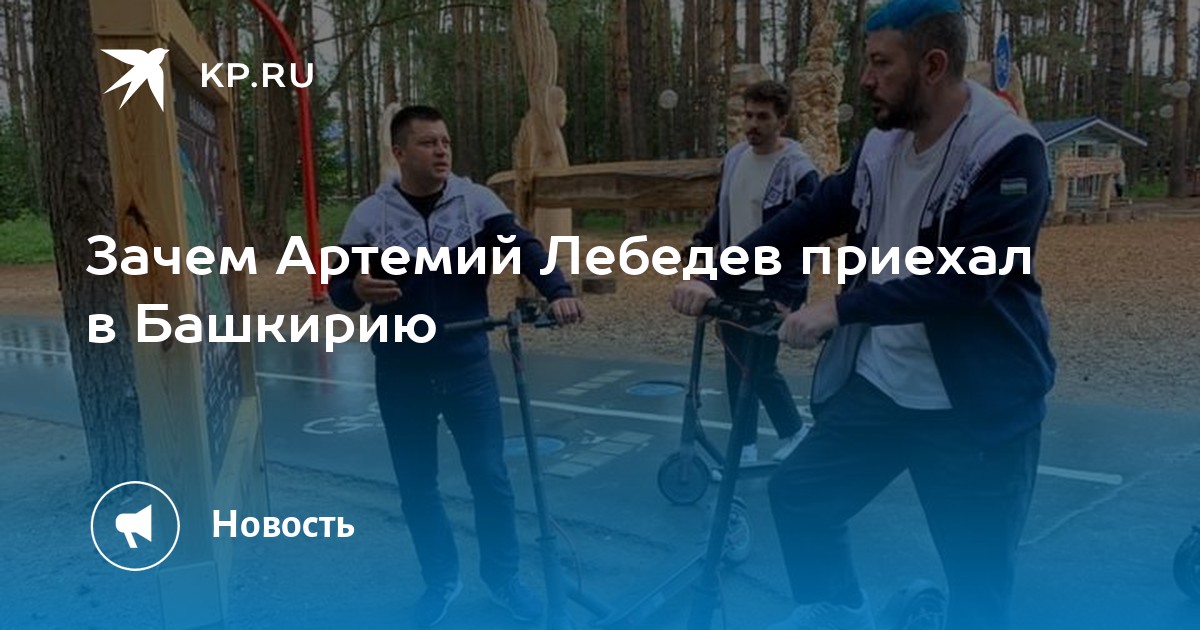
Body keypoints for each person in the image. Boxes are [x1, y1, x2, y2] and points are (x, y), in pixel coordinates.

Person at [670, 1, 1054, 629]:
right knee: (800, 497)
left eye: (881, 64)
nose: (866, 79)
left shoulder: (1007, 151)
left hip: (974, 405)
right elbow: (812, 215)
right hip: (884, 388)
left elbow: (971, 278)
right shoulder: (882, 143)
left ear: (933, 65)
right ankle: (843, 609)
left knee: (977, 581)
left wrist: (841, 308)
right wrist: (715, 272)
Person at [329, 105, 585, 628]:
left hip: (467, 367)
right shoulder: (370, 216)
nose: (441, 151)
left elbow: (526, 248)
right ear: (400, 153)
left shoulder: (477, 203)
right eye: (428, 143)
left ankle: (503, 578)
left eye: (445, 141)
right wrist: (355, 288)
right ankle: (440, 581)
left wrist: (558, 290)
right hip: (401, 372)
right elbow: (339, 288)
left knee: (490, 478)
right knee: (417, 486)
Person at [689, 79, 820, 466]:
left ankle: (794, 433)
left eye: (763, 117)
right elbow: (723, 210)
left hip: (772, 287)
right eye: (748, 115)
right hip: (731, 279)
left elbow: (807, 238)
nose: (752, 125)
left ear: (783, 120)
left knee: (758, 367)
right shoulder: (734, 159)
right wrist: (701, 244)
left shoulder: (799, 171)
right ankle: (745, 446)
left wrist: (790, 294)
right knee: (736, 365)